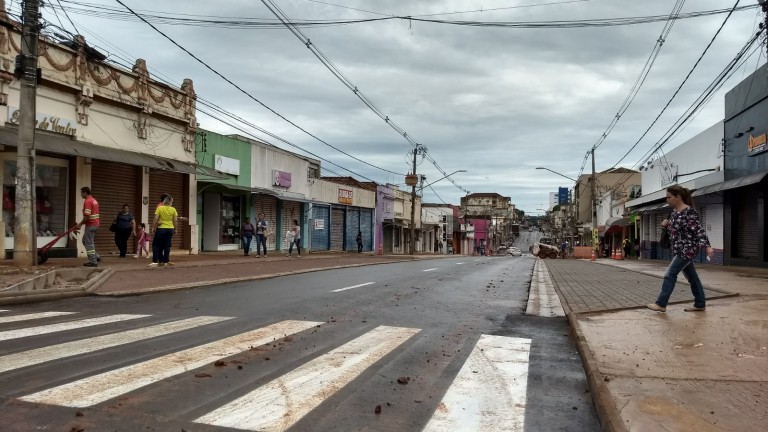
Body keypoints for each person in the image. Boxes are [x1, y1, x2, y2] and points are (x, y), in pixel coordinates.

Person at [647, 185, 714, 313]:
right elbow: (675, 232)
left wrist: (707, 246)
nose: (667, 200)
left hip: (687, 249)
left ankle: (661, 303)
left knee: (670, 274)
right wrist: (665, 225)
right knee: (693, 278)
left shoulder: (689, 212)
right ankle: (700, 303)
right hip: (677, 249)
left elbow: (698, 230)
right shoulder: (673, 213)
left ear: (678, 197)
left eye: (669, 197)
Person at [148, 195, 178, 268]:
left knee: (156, 245)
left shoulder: (160, 208)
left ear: (164, 201)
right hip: (170, 229)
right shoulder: (173, 209)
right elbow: (175, 220)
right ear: (170, 202)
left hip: (161, 229)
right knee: (167, 246)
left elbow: (155, 218)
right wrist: (175, 229)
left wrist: (153, 227)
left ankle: (155, 261)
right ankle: (165, 261)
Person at [76, 187, 100, 267]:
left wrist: (80, 224)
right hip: (95, 224)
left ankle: (93, 261)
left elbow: (87, 216)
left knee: (88, 243)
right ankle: (96, 256)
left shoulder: (88, 201)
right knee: (85, 241)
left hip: (91, 225)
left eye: (81, 192)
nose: (81, 194)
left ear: (85, 192)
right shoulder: (94, 200)